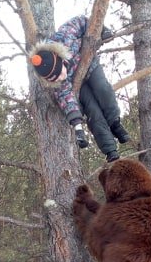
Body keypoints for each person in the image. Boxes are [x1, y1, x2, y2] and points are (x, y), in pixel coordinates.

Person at [29, 14, 130, 162]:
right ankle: (110, 150)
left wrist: (102, 30)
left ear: (60, 59)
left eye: (58, 73)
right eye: (54, 79)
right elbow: (68, 101)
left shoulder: (65, 37)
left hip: (90, 66)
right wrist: (78, 129)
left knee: (104, 90)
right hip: (79, 84)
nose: (59, 79)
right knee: (92, 111)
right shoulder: (60, 84)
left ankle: (115, 123)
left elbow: (82, 21)